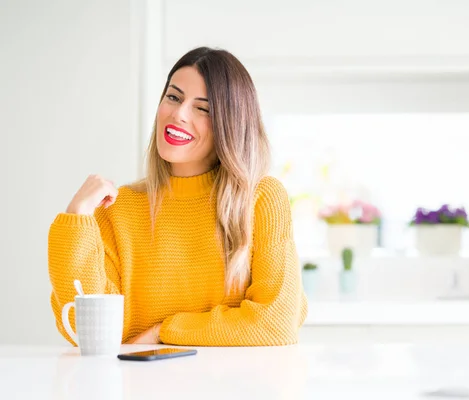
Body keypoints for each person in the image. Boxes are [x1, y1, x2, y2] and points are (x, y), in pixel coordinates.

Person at [48, 47, 308, 346]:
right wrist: (76, 216)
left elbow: (276, 323)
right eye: (174, 97)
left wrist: (165, 332)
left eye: (203, 108)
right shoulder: (117, 209)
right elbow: (84, 332)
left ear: (231, 124)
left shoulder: (261, 199)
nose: (179, 114)